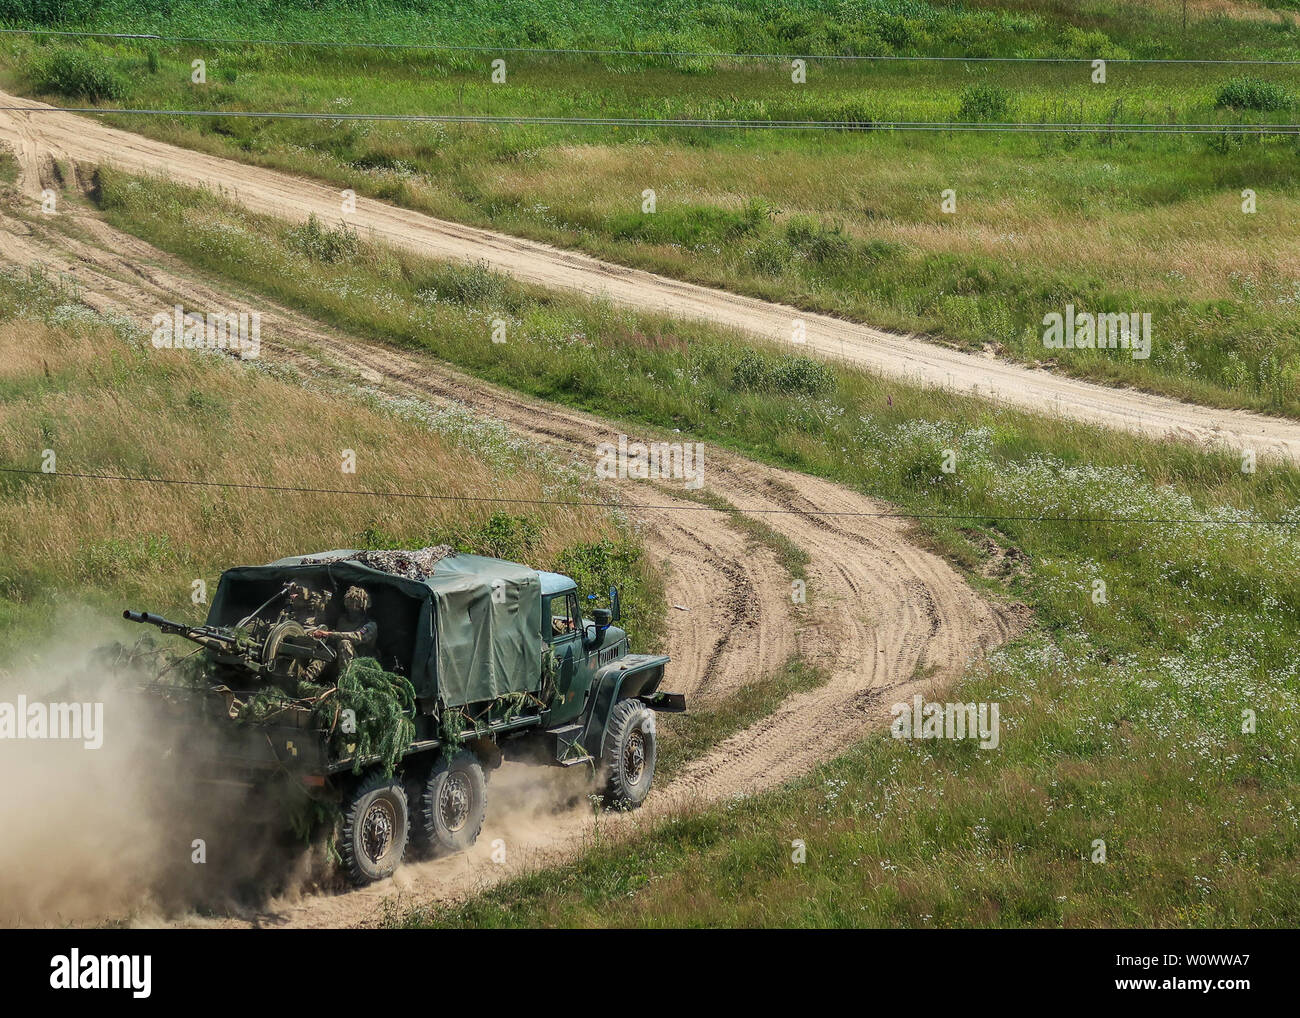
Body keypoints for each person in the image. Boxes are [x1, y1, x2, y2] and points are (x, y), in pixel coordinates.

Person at [308, 585, 378, 680]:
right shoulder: (342, 620)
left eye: (355, 608)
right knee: (327, 649)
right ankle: (306, 677)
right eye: (349, 607)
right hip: (337, 660)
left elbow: (357, 637)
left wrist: (329, 634)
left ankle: (345, 682)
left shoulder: (370, 625)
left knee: (344, 643)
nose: (351, 610)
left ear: (362, 608)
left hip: (359, 665)